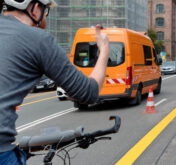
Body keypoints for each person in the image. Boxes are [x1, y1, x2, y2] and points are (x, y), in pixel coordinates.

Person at [0, 0, 110, 164]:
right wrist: (105, 49)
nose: (45, 18)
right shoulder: (37, 39)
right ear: (35, 8)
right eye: (46, 12)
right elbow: (89, 92)